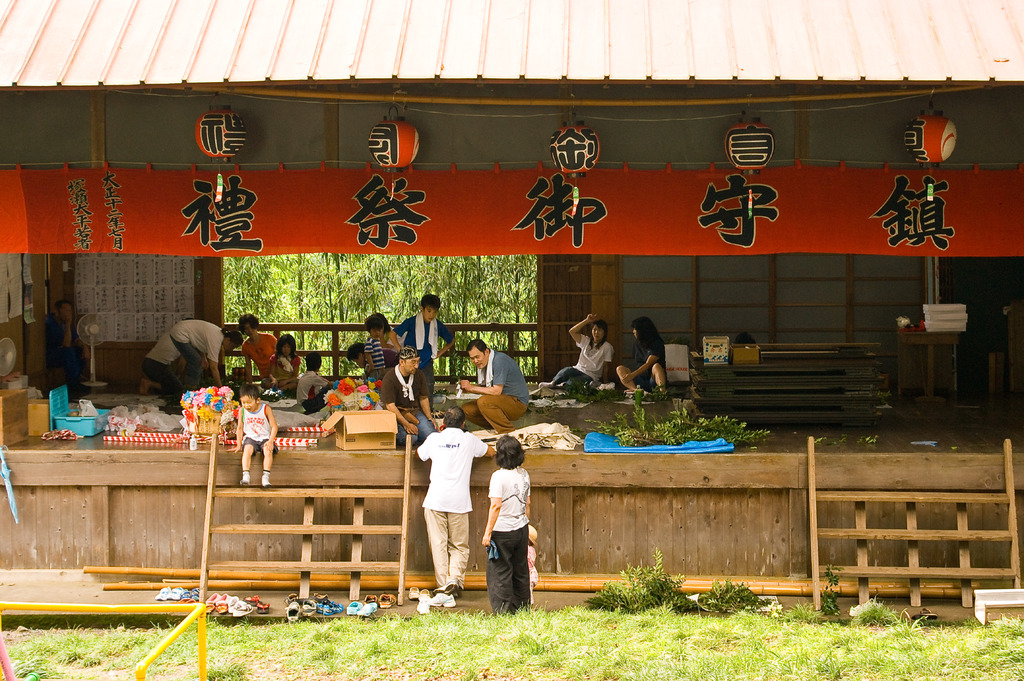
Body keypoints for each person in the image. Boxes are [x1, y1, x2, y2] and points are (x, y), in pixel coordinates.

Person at [417, 405, 495, 606]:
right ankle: (454, 581)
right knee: (459, 545)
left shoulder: (434, 438)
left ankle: (444, 588)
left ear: (443, 424)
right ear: (463, 424)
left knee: (438, 544)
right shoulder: (469, 439)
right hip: (459, 501)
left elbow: (420, 455)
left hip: (435, 499)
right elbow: (489, 452)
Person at [482, 435, 532, 614]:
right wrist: (526, 524)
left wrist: (488, 533)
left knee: (500, 572)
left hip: (502, 530)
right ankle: (523, 607)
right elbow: (527, 503)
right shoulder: (524, 474)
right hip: (521, 527)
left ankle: (503, 611)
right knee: (521, 569)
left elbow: (496, 505)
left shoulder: (498, 477)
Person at [389, 294, 455, 399]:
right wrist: (401, 351)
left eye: (435, 312)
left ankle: (429, 413)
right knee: (406, 387)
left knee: (428, 388)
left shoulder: (437, 325)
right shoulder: (411, 322)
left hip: (427, 362)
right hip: (409, 362)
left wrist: (439, 353)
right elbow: (392, 334)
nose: (431, 315)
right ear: (422, 308)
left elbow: (451, 340)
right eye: (429, 311)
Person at [459, 339, 530, 434]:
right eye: (472, 358)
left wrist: (471, 388)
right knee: (466, 409)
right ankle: (495, 427)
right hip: (503, 400)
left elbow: (496, 391)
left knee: (483, 402)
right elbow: (486, 387)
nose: (475, 361)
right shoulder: (487, 361)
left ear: (486, 352)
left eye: (477, 357)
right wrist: (468, 388)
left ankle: (508, 432)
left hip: (517, 403)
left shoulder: (499, 361)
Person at [381, 346, 437, 448]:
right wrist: (406, 423)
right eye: (413, 362)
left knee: (433, 436)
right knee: (410, 438)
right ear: (402, 362)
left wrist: (429, 417)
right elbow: (390, 406)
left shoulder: (419, 375)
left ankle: (420, 435)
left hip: (414, 412)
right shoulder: (390, 378)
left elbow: (423, 397)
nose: (416, 366)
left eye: (418, 362)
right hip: (396, 415)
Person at [540, 314, 614, 390]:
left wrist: (605, 383)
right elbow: (572, 331)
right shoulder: (586, 340)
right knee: (566, 371)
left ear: (604, 332)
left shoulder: (607, 347)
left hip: (591, 376)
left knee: (573, 383)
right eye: (594, 329)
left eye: (599, 330)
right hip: (578, 369)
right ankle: (552, 383)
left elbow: (605, 367)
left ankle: (562, 386)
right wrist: (587, 320)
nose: (596, 332)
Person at [169, 320, 243, 389]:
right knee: (196, 361)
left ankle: (178, 384)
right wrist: (221, 389)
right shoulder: (216, 340)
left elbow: (200, 342)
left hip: (181, 331)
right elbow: (213, 367)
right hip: (180, 333)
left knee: (193, 361)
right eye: (233, 346)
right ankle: (191, 390)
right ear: (228, 340)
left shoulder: (218, 335)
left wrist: (203, 357)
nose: (231, 349)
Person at [233, 382, 278, 488]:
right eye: (243, 402)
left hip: (265, 438)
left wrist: (270, 441)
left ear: (257, 400)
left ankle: (266, 477)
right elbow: (239, 428)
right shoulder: (242, 411)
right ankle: (246, 475)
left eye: (249, 402)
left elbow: (274, 427)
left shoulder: (266, 409)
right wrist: (239, 444)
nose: (246, 405)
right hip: (251, 437)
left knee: (267, 450)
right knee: (247, 449)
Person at [45, 299, 90, 396]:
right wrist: (69, 323)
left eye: (70, 311)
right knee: (68, 352)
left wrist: (84, 347)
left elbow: (75, 339)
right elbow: (66, 344)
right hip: (50, 355)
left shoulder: (63, 323)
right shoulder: (50, 323)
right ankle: (73, 383)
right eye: (65, 310)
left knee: (79, 350)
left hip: (62, 353)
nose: (68, 313)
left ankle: (77, 379)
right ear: (57, 311)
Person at [615, 316, 667, 393]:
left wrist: (632, 375)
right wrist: (630, 376)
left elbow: (648, 364)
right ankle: (636, 391)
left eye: (635, 329)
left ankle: (662, 393)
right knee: (620, 369)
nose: (633, 331)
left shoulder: (657, 343)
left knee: (656, 366)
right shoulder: (636, 344)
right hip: (640, 379)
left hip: (653, 380)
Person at [140, 331, 183, 396]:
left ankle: (150, 384)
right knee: (178, 389)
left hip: (147, 362)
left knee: (164, 387)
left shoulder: (170, 334)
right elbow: (181, 365)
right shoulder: (184, 341)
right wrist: (177, 376)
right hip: (157, 365)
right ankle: (149, 383)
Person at [238, 314, 277, 383]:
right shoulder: (246, 345)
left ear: (255, 326)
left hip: (277, 374)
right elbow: (248, 366)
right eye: (246, 329)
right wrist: (250, 383)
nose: (250, 330)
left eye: (252, 327)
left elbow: (280, 355)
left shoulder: (269, 338)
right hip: (265, 377)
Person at [359, 313, 398, 381]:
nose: (377, 333)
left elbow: (380, 354)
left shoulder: (378, 340)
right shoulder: (370, 341)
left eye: (379, 330)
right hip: (374, 367)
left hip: (380, 367)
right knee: (373, 381)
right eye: (375, 330)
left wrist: (382, 367)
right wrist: (371, 365)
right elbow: (368, 353)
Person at [528, 524, 539, 604]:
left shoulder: (527, 550)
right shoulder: (532, 549)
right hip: (531, 573)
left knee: (527, 593)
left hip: (528, 573)